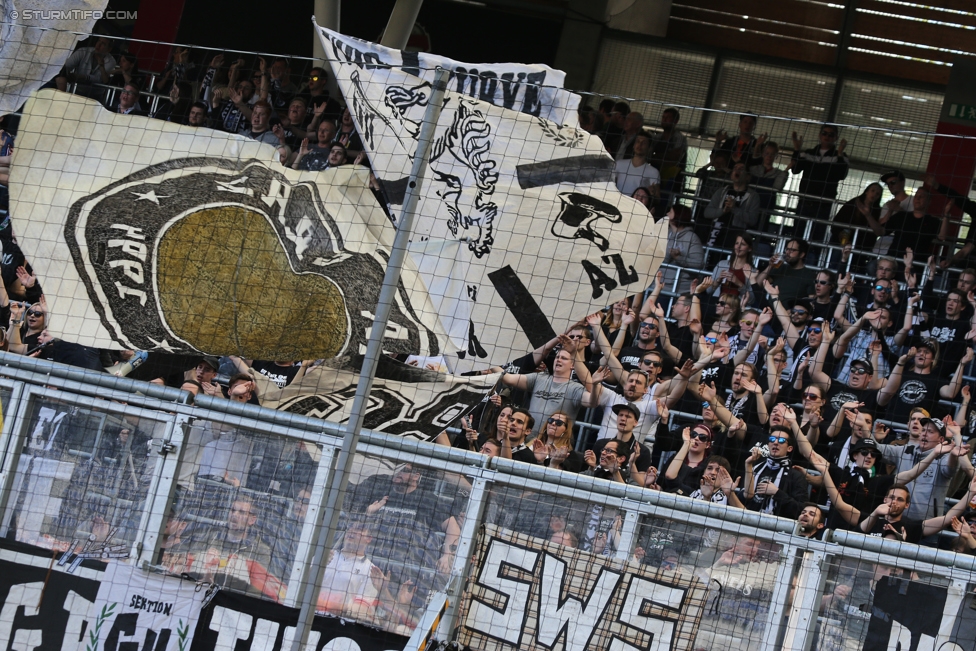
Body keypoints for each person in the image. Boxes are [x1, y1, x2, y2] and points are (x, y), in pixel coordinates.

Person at [187, 497, 282, 600]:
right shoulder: (210, 538)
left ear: (252, 520)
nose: (234, 515)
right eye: (232, 510)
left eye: (241, 512)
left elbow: (257, 588)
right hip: (199, 594)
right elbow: (189, 566)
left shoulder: (260, 550)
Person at [790, 124, 849, 237]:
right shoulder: (808, 153)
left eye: (831, 135)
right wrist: (797, 150)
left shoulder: (841, 156)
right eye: (824, 133)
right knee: (797, 234)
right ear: (819, 135)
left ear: (836, 138)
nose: (827, 136)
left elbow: (842, 175)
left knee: (817, 237)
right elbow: (795, 170)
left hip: (824, 205)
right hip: (805, 202)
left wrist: (840, 153)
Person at [740, 427, 808, 519]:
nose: (775, 442)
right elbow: (744, 498)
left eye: (781, 440)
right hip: (748, 519)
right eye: (772, 439)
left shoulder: (796, 476)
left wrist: (777, 493)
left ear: (789, 448)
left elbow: (800, 510)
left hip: (777, 527)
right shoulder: (756, 468)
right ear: (768, 445)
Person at [702, 162, 760, 251]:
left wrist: (735, 209)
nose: (737, 170)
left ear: (748, 177)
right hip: (717, 228)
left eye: (741, 169)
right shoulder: (721, 191)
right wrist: (723, 211)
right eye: (735, 168)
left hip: (737, 232)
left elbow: (752, 220)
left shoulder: (753, 196)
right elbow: (707, 213)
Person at [880, 188, 946, 258]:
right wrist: (868, 215)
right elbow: (881, 231)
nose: (918, 198)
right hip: (893, 260)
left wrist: (946, 215)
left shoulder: (933, 221)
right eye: (916, 196)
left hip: (915, 262)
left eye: (922, 196)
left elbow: (942, 237)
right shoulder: (901, 216)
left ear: (929, 201)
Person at [660, 205, 703, 294]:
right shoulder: (664, 233)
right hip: (658, 283)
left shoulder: (692, 237)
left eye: (670, 212)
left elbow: (698, 263)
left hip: (680, 288)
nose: (667, 213)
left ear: (678, 215)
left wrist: (678, 258)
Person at [614, 129, 660, 195]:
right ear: (634, 145)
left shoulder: (653, 172)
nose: (640, 144)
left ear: (649, 148)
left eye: (643, 143)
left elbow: (657, 198)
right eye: (638, 142)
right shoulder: (619, 164)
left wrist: (651, 194)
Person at [709, 234, 754, 300]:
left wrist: (739, 283)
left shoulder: (752, 271)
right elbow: (708, 291)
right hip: (718, 305)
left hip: (738, 308)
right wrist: (718, 280)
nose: (738, 247)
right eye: (737, 243)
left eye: (743, 244)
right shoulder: (722, 264)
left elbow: (751, 300)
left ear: (749, 249)